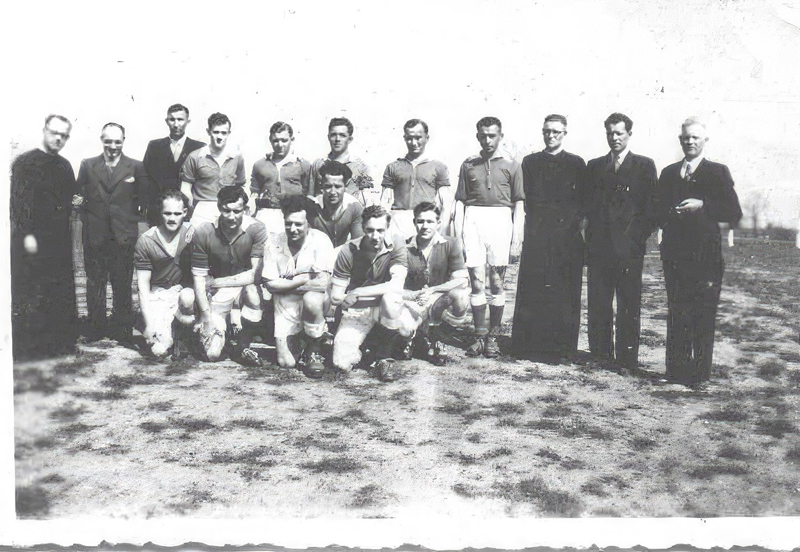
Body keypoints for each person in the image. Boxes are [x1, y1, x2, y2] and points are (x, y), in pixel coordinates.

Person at [656, 117, 742, 385]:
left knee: (702, 314)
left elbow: (733, 212)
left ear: (705, 141)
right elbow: (657, 209)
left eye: (695, 137)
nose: (690, 142)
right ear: (680, 140)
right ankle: (675, 372)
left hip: (706, 257)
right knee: (677, 311)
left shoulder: (717, 172)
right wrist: (671, 212)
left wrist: (702, 205)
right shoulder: (669, 173)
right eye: (685, 138)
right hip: (675, 255)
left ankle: (699, 375)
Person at [585, 112, 658, 370]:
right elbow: (588, 207)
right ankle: (600, 354)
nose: (614, 138)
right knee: (598, 302)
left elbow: (652, 209)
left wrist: (635, 237)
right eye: (610, 133)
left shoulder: (644, 166)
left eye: (619, 133)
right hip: (599, 248)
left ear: (629, 134)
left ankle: (627, 359)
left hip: (629, 249)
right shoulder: (594, 166)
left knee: (628, 303)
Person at [511, 114, 587, 359]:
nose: (551, 136)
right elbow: (525, 200)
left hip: (567, 237)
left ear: (565, 133)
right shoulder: (530, 162)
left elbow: (583, 204)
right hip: (538, 234)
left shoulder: (577, 163)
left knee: (565, 290)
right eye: (547, 131)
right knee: (534, 288)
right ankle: (529, 347)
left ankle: (562, 349)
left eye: (556, 132)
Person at [10, 114, 81, 358]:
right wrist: (27, 235)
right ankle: (34, 344)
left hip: (59, 237)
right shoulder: (25, 163)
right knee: (33, 287)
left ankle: (61, 341)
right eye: (55, 133)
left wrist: (77, 202)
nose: (59, 139)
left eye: (64, 136)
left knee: (59, 286)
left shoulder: (64, 165)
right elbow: (18, 203)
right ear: (44, 130)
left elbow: (71, 197)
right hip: (31, 238)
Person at [453, 116, 525, 358]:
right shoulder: (468, 164)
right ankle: (479, 336)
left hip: (500, 221)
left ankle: (493, 336)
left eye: (492, 135)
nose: (487, 140)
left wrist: (517, 236)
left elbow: (518, 203)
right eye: (483, 135)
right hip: (473, 220)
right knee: (476, 281)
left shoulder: (512, 165)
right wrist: (459, 234)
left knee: (497, 282)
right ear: (477, 136)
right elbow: (460, 202)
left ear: (500, 136)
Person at [77, 122, 149, 342]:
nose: (113, 146)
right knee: (95, 281)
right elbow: (79, 199)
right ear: (101, 140)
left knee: (122, 282)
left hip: (123, 235)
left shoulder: (135, 167)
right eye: (108, 141)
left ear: (124, 141)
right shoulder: (88, 165)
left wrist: (127, 222)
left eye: (117, 141)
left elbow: (143, 202)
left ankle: (121, 328)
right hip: (96, 234)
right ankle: (96, 328)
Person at [329, 205, 416, 381]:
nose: (375, 236)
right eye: (370, 230)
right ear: (362, 228)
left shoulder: (397, 243)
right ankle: (371, 340)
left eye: (380, 230)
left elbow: (396, 285)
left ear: (387, 228)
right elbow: (337, 296)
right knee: (341, 362)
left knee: (398, 313)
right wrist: (354, 297)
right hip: (359, 309)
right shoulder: (349, 250)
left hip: (383, 304)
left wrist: (359, 291)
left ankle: (384, 355)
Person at [191, 186, 267, 366]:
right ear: (218, 207)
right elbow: (199, 278)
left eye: (236, 211)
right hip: (217, 295)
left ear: (246, 210)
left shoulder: (256, 228)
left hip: (238, 287)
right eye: (226, 211)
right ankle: (223, 335)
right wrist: (206, 318)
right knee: (212, 355)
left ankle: (243, 343)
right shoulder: (203, 231)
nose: (231, 217)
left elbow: (255, 275)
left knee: (253, 294)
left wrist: (216, 282)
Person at [262, 196, 334, 378]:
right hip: (284, 303)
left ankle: (314, 347)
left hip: (314, 301)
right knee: (287, 363)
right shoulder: (273, 242)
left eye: (298, 224)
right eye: (288, 223)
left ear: (308, 223)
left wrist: (284, 284)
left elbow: (322, 283)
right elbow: (269, 285)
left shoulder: (321, 240)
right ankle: (301, 337)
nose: (292, 229)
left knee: (312, 298)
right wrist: (302, 279)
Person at [402, 202, 469, 365]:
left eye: (430, 221)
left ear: (439, 223)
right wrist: (415, 295)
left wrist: (433, 290)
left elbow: (461, 279)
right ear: (414, 223)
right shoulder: (404, 247)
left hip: (439, 299)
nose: (425, 226)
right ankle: (414, 337)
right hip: (414, 300)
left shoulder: (451, 244)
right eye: (421, 221)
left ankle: (440, 333)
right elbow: (395, 284)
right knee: (404, 328)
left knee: (460, 294)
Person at [134, 190, 196, 357]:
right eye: (167, 213)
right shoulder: (147, 240)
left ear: (184, 213)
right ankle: (163, 330)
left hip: (182, 291)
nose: (172, 218)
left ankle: (184, 334)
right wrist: (149, 323)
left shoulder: (192, 233)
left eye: (177, 213)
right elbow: (143, 285)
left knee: (188, 297)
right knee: (158, 350)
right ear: (160, 213)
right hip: (158, 294)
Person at [380, 119, 452, 238]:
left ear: (427, 138)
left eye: (418, 138)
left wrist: (441, 231)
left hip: (426, 221)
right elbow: (384, 202)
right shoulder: (393, 167)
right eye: (409, 138)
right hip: (398, 222)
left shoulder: (439, 167)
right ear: (404, 138)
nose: (413, 143)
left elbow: (446, 203)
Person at [142, 103, 205, 226]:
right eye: (172, 119)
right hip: (159, 210)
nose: (176, 124)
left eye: (180, 119)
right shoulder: (154, 146)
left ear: (188, 121)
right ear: (166, 121)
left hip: (186, 210)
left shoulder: (198, 147)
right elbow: (146, 176)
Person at [181, 112, 246, 226]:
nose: (219, 137)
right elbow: (185, 187)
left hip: (229, 207)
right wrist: (191, 209)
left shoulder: (237, 157)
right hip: (202, 208)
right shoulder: (195, 156)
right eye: (216, 132)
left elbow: (241, 185)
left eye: (223, 133)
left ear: (229, 133)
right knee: (199, 241)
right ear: (208, 132)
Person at [248, 121, 313, 236]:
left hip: (292, 216)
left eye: (284, 140)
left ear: (292, 140)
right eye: (276, 140)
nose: (280, 144)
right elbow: (254, 193)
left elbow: (308, 194)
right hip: (266, 215)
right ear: (270, 140)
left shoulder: (303, 165)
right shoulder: (260, 164)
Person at [310, 117, 374, 205]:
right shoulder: (318, 164)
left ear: (350, 139)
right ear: (328, 137)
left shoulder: (361, 167)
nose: (337, 139)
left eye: (342, 135)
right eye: (333, 135)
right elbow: (310, 198)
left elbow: (368, 201)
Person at [307, 160, 364, 248]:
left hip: (342, 256)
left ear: (345, 186)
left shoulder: (354, 207)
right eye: (328, 186)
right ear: (321, 186)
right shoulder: (312, 207)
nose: (333, 192)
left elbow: (358, 243)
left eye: (337, 187)